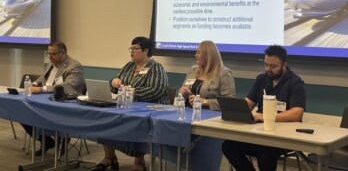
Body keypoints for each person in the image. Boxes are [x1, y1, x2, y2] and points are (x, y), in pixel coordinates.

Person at [222, 45, 305, 171]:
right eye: (266, 65)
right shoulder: (261, 79)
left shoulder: (295, 82)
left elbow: (296, 114)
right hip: (260, 134)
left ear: (284, 65)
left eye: (273, 66)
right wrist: (237, 110)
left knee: (265, 153)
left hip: (283, 138)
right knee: (229, 146)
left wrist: (266, 117)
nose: (268, 69)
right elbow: (248, 103)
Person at [93, 37, 168, 171]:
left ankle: (139, 162)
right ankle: (109, 157)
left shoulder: (155, 67)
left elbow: (158, 89)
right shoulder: (129, 66)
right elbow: (115, 82)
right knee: (105, 118)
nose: (132, 51)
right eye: (131, 48)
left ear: (146, 51)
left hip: (147, 108)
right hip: (125, 106)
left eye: (135, 49)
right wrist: (113, 82)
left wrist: (133, 92)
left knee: (136, 123)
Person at [22, 40, 85, 156]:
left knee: (45, 113)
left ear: (63, 53)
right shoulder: (51, 63)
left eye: (53, 54)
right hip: (45, 98)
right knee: (22, 111)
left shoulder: (74, 66)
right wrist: (34, 85)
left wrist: (42, 89)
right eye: (48, 53)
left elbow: (68, 86)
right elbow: (44, 78)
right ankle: (46, 141)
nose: (50, 56)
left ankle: (62, 139)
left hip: (64, 101)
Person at [180, 40, 235, 110]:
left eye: (199, 53)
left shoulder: (224, 73)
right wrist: (182, 92)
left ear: (208, 56)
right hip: (187, 111)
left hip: (209, 115)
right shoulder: (193, 70)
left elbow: (229, 102)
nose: (195, 55)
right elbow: (182, 91)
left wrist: (205, 101)